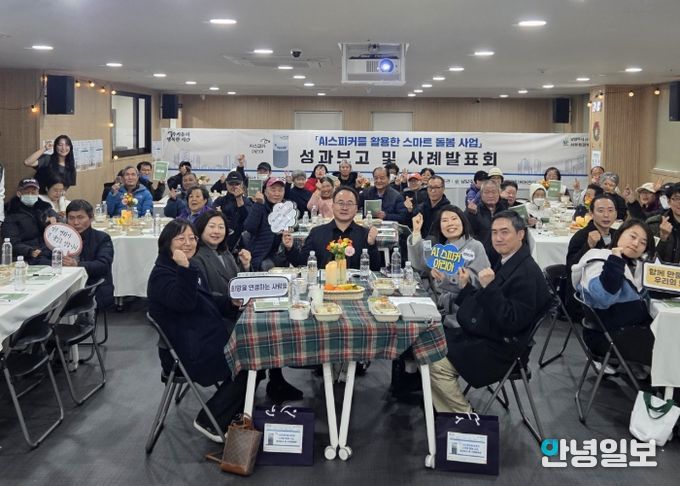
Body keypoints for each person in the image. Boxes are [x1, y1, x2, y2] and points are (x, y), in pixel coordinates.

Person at [428, 211, 551, 412]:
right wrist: (466, 287)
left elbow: (511, 322)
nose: (498, 238)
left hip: (501, 349)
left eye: (505, 232)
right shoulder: (509, 260)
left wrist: (489, 287)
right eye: (494, 232)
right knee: (428, 345)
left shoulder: (527, 273)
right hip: (487, 334)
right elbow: (487, 304)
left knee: (434, 361)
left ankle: (465, 418)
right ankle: (444, 410)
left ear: (521, 234)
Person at [147, 219, 249, 443]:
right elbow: (184, 303)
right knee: (251, 362)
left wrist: (229, 302)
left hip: (202, 337)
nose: (188, 243)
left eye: (191, 238)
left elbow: (204, 298)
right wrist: (185, 268)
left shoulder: (183, 267)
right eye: (180, 239)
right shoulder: (163, 275)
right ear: (166, 243)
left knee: (253, 352)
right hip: (187, 351)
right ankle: (211, 419)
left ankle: (231, 410)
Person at [571, 219, 656, 367]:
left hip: (629, 329)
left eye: (643, 242)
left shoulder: (637, 266)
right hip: (606, 336)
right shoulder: (598, 260)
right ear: (619, 233)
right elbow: (604, 297)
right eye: (633, 236)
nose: (636, 244)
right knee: (670, 345)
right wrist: (615, 260)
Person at [407, 205, 489, 328]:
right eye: (444, 221)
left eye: (454, 219)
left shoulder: (475, 246)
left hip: (460, 313)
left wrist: (448, 278)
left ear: (463, 221)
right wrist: (416, 232)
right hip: (435, 305)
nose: (450, 223)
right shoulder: (440, 246)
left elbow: (480, 281)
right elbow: (419, 263)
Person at [38, 200, 114, 310]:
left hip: (91, 289)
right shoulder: (59, 237)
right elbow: (39, 260)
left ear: (91, 218)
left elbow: (103, 265)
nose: (76, 222)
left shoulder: (102, 238)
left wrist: (77, 265)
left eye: (80, 217)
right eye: (71, 218)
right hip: (60, 288)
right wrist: (57, 262)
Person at [283, 186, 381, 270]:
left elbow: (375, 268)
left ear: (356, 209)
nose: (344, 208)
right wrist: (290, 248)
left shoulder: (364, 234)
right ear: (333, 206)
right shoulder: (317, 233)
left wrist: (371, 245)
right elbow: (302, 263)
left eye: (349, 203)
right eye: (340, 203)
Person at [191, 210, 251, 326]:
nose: (216, 231)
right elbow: (203, 295)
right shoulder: (196, 256)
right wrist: (230, 301)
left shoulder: (224, 252)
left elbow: (236, 281)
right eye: (212, 226)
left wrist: (246, 265)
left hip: (236, 311)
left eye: (221, 227)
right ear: (201, 228)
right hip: (217, 317)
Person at [565, 194, 618, 318]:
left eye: (610, 210)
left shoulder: (618, 235)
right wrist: (588, 246)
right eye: (601, 211)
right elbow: (570, 268)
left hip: (611, 291)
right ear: (591, 214)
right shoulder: (581, 236)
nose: (606, 215)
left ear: (616, 214)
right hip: (585, 297)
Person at [1, 178, 56, 263]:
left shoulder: (44, 208)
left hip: (48, 251)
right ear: (19, 193)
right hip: (27, 257)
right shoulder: (11, 212)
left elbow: (58, 221)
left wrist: (53, 220)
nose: (30, 195)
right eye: (27, 192)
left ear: (38, 193)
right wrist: (29, 251)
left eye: (33, 192)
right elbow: (11, 243)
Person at [243, 177, 289, 270]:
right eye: (273, 190)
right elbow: (249, 227)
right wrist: (258, 204)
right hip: (262, 255)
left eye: (280, 190)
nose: (277, 193)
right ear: (265, 191)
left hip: (281, 254)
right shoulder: (260, 206)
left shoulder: (286, 208)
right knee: (267, 265)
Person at [465, 180, 508, 266]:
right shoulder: (473, 211)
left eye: (494, 192)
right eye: (487, 192)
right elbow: (468, 236)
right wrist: (470, 214)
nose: (490, 195)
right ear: (481, 194)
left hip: (503, 257)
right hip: (480, 258)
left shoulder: (506, 210)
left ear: (499, 193)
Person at [212, 171, 252, 250]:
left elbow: (247, 219)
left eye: (237, 184)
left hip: (241, 241)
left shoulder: (247, 201)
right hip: (223, 238)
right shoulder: (220, 200)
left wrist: (239, 199)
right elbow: (212, 216)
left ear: (242, 184)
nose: (234, 186)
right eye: (231, 184)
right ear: (226, 184)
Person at [647, 182, 680, 263]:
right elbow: (649, 257)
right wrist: (663, 239)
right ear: (668, 201)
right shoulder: (654, 224)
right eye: (676, 198)